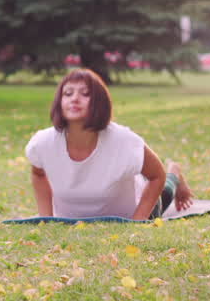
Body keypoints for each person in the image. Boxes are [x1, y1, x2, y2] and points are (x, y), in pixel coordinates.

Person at [25, 68, 194, 220]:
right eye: (68, 93)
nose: (75, 99)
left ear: (99, 102)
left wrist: (138, 220)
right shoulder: (43, 143)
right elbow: (38, 174)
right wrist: (46, 219)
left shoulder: (125, 141)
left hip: (130, 210)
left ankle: (175, 172)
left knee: (165, 192)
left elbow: (157, 176)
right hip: (78, 210)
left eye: (85, 94)